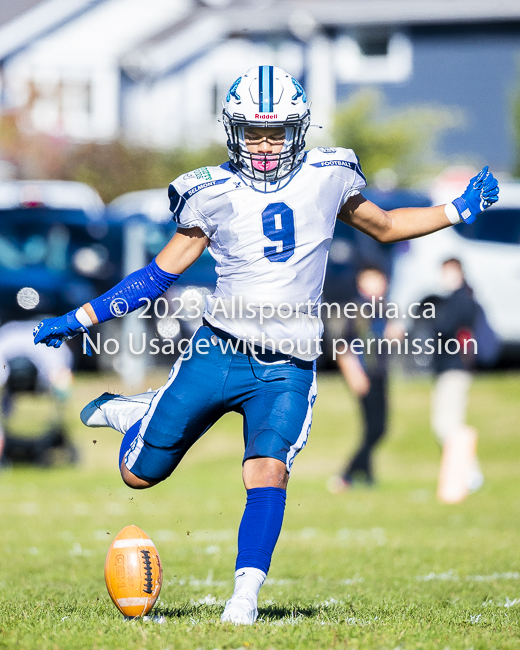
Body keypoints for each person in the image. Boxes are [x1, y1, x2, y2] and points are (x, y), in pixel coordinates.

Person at [33, 66, 499, 624]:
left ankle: (244, 597)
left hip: (287, 367)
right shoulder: (211, 192)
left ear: (298, 130)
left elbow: (387, 225)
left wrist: (456, 210)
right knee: (138, 475)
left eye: (275, 132)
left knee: (267, 471)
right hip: (217, 351)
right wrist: (82, 316)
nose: (263, 144)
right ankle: (139, 412)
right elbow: (158, 277)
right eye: (252, 132)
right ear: (233, 131)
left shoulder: (330, 175)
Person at [429, 257, 493, 493]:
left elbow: (443, 327)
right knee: (446, 423)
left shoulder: (460, 301)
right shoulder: (457, 300)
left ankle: (471, 473)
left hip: (455, 369)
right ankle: (468, 473)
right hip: (449, 369)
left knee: (447, 424)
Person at [328, 266, 390, 492]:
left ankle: (367, 476)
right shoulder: (355, 308)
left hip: (379, 375)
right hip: (364, 375)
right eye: (373, 279)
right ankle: (346, 474)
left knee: (375, 428)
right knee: (376, 429)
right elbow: (341, 344)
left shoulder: (381, 307)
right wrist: (353, 373)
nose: (379, 284)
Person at [0, 320, 76, 467]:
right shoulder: (6, 341)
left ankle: (49, 439)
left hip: (46, 362)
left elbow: (62, 380)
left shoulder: (51, 346)